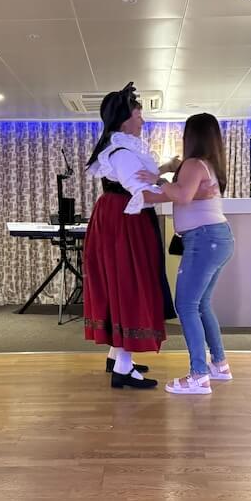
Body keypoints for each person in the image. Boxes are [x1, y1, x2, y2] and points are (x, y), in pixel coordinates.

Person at [83, 82, 199, 389]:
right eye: (139, 115)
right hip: (126, 222)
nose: (143, 121)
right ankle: (122, 367)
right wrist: (181, 194)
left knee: (123, 284)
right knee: (130, 285)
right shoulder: (121, 151)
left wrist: (165, 169)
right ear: (124, 120)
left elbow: (135, 180)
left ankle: (117, 357)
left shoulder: (121, 149)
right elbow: (143, 194)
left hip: (120, 218)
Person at [138, 114, 234, 395]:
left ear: (192, 135)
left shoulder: (194, 164)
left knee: (187, 305)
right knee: (202, 304)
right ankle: (219, 364)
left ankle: (198, 375)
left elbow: (181, 196)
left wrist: (157, 177)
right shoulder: (206, 165)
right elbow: (175, 194)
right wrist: (152, 187)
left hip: (204, 240)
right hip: (216, 239)